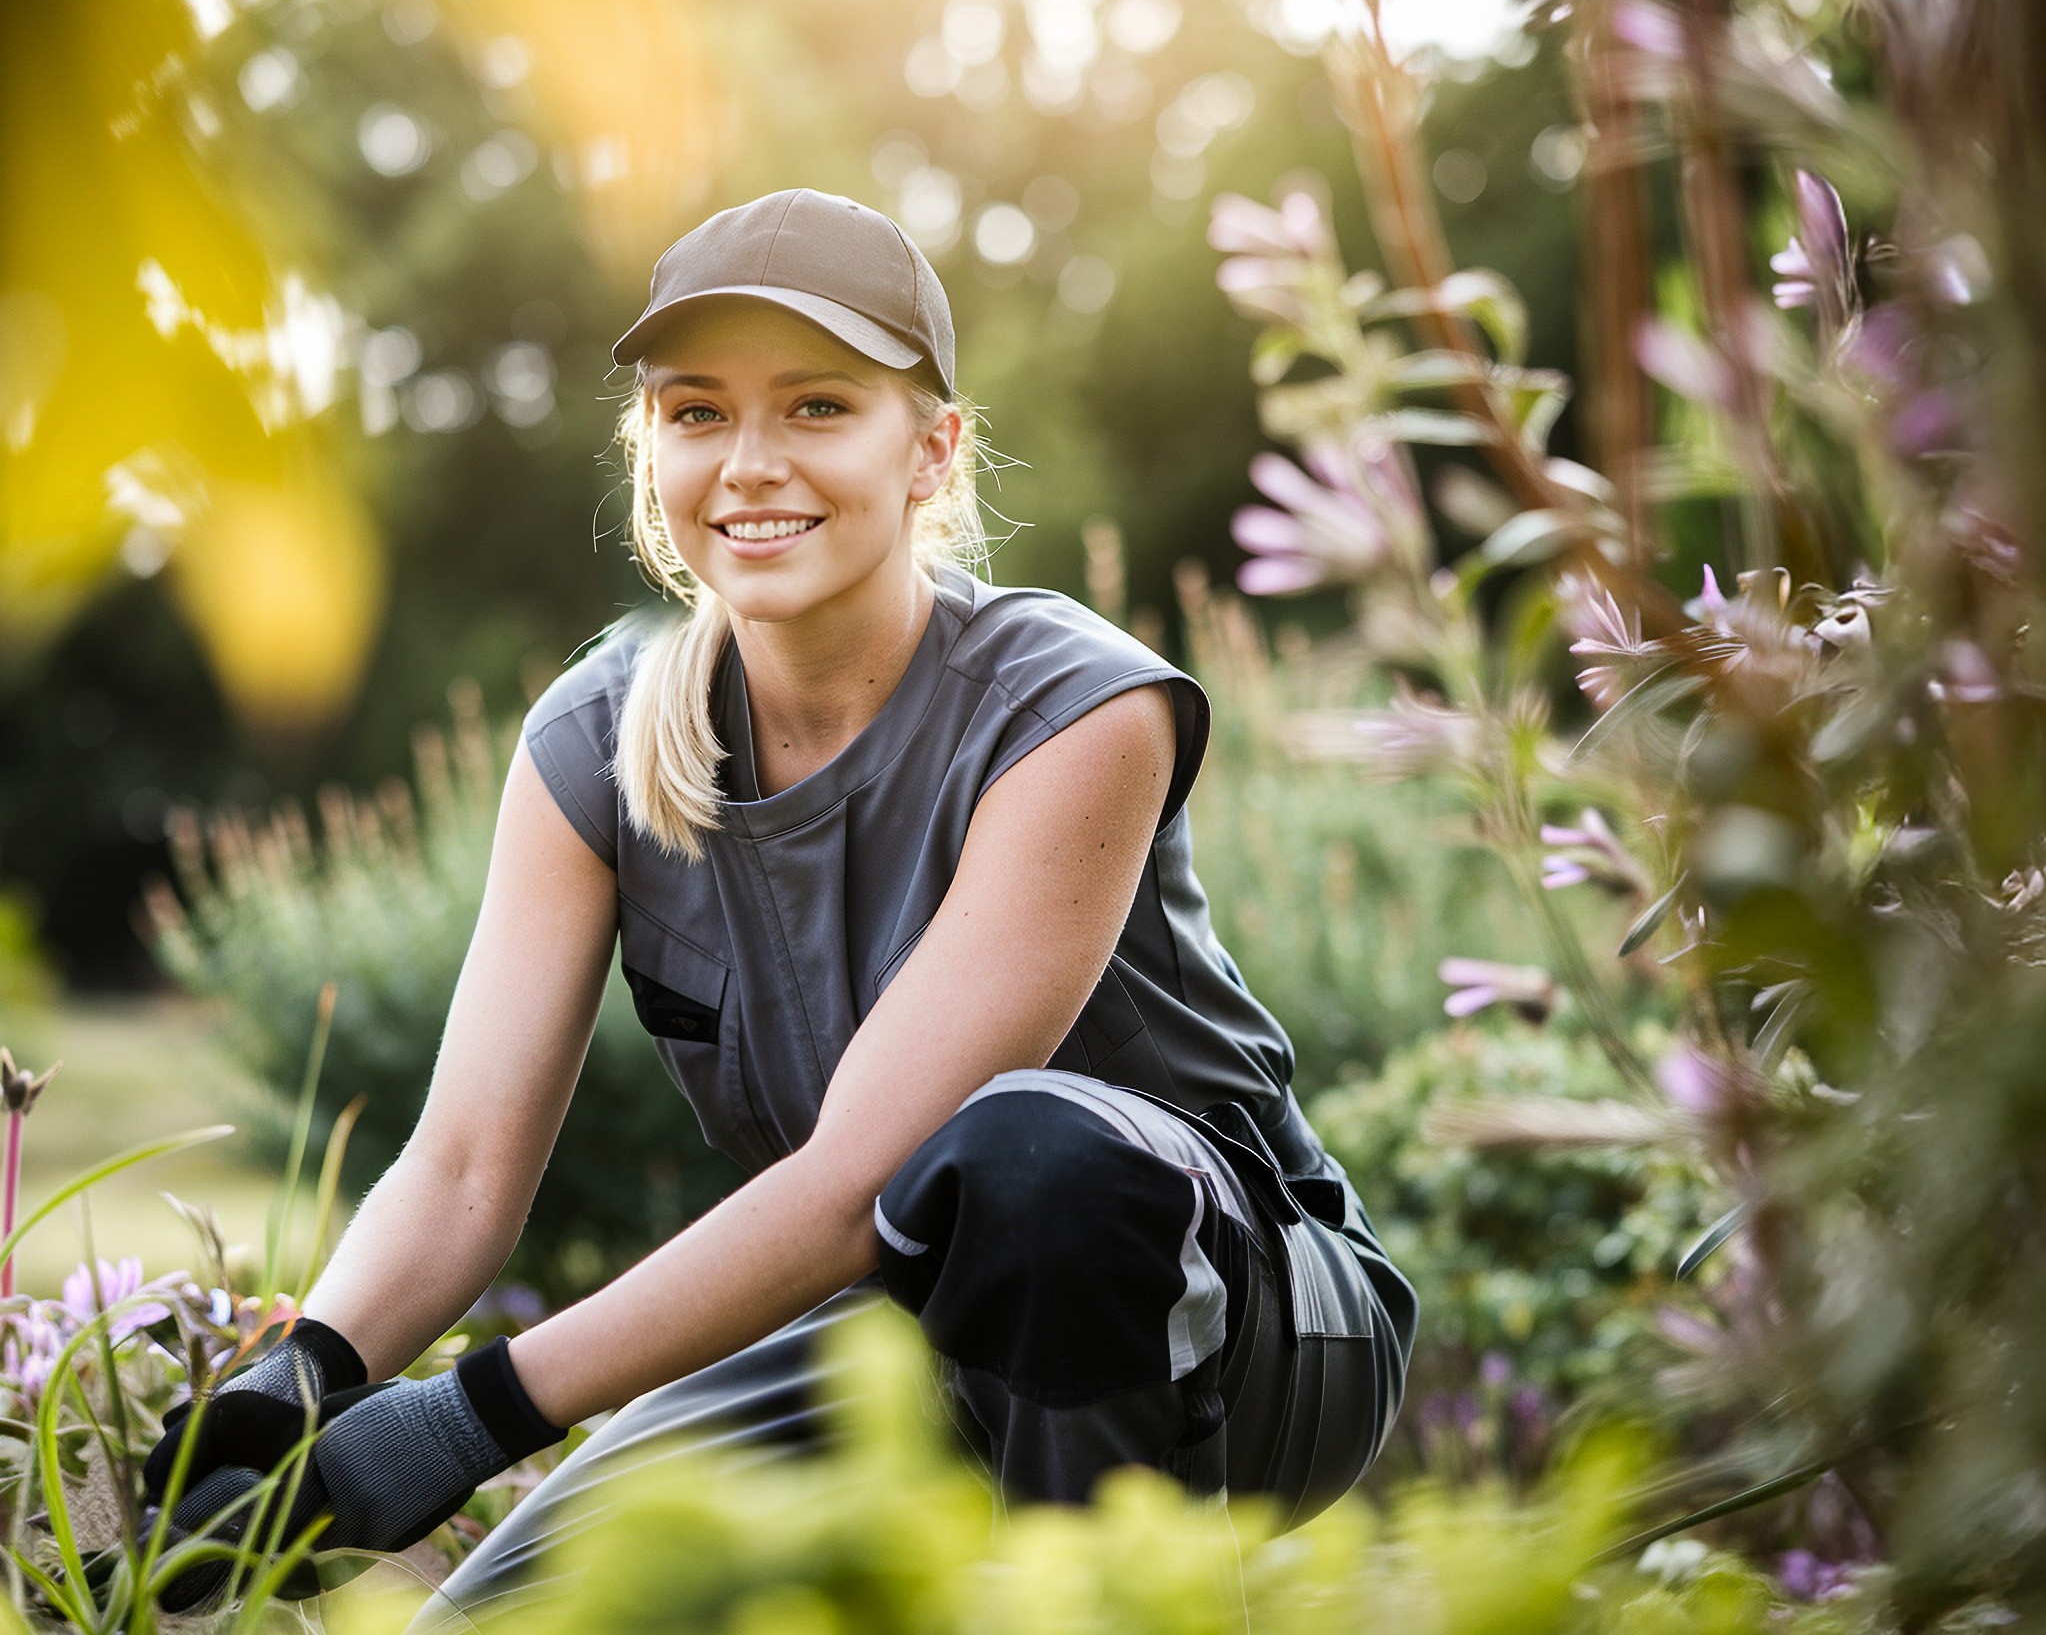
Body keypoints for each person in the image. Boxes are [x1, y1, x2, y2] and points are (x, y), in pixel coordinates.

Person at [141, 187, 1418, 1627]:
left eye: (817, 408)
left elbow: (863, 1174)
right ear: (650, 454)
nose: (749, 465)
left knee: (1034, 1160)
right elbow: (460, 1172)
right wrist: (307, 1369)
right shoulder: (598, 744)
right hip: (903, 1326)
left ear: (932, 450)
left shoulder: (1073, 706)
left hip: (1242, 1321)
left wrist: (466, 1419)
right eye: (696, 413)